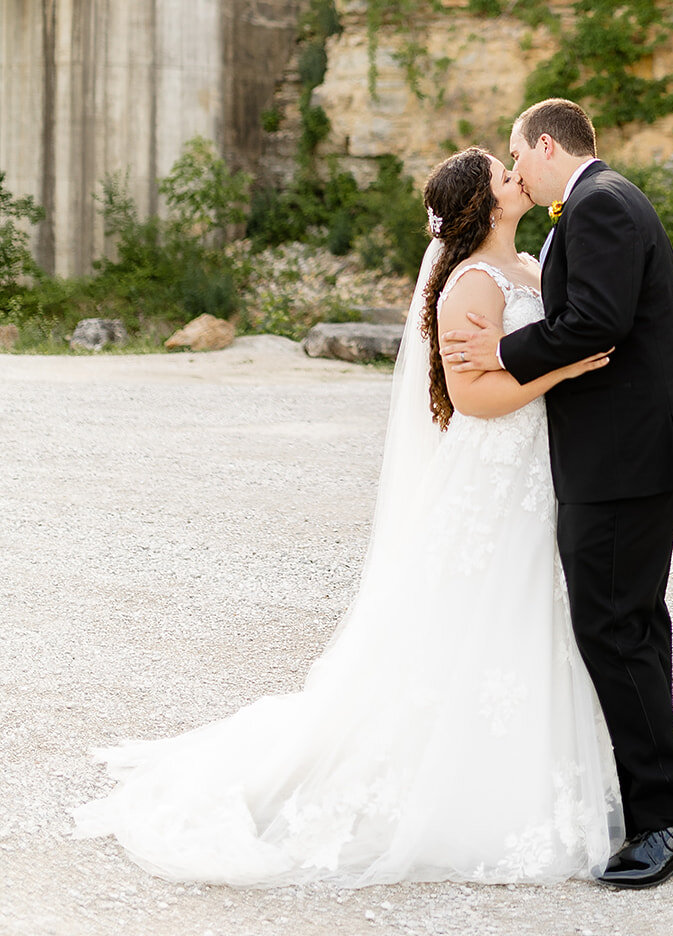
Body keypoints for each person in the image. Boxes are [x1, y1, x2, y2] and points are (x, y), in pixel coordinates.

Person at [72, 147, 624, 886]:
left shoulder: (525, 262)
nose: (515, 175)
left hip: (529, 474)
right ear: (482, 203)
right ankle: (460, 797)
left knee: (527, 617)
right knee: (486, 614)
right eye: (501, 173)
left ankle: (530, 773)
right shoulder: (471, 283)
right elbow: (473, 399)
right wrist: (562, 366)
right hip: (492, 475)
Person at [442, 98, 673, 889]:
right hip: (630, 458)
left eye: (516, 156)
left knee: (614, 629)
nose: (515, 170)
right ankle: (664, 807)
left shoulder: (597, 206)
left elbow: (595, 323)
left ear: (547, 145)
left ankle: (670, 820)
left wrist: (500, 348)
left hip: (625, 462)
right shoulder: (602, 201)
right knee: (632, 627)